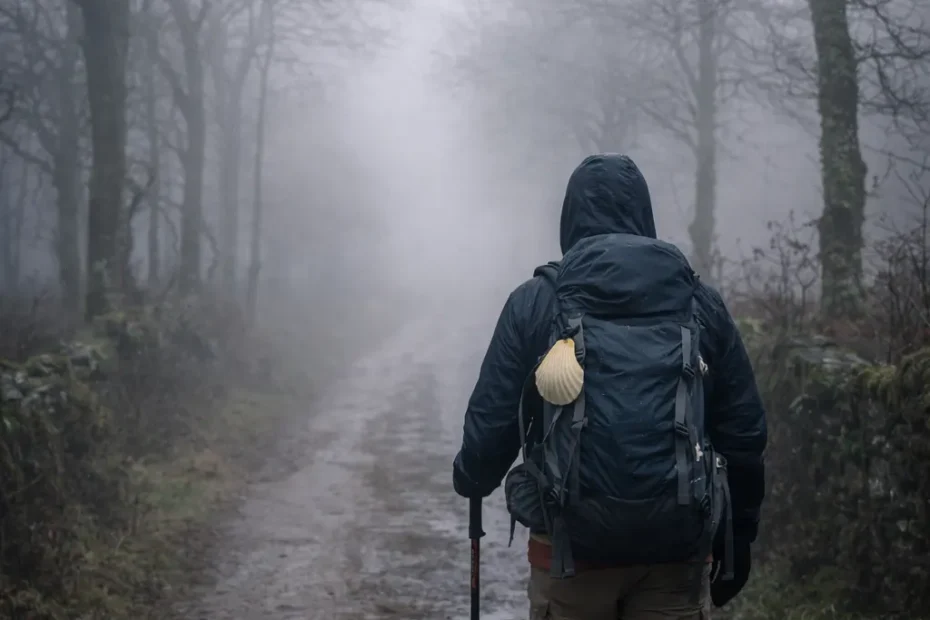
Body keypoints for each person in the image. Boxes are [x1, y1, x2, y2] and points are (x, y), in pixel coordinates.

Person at [452, 154, 767, 619]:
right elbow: (743, 432)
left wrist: (472, 476)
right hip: (674, 552)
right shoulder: (699, 302)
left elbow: (491, 424)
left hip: (568, 557)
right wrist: (739, 537)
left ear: (570, 217)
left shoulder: (537, 302)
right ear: (645, 216)